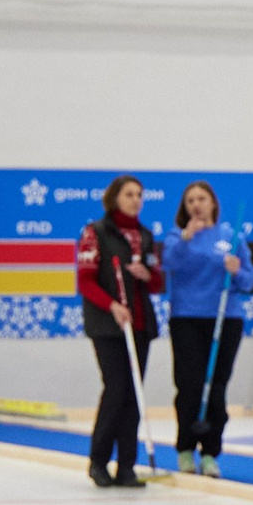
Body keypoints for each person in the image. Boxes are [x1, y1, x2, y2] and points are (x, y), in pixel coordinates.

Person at [75, 174, 163, 488]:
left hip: (139, 326)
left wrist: (146, 275)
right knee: (116, 390)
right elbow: (85, 281)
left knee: (133, 396)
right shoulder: (96, 232)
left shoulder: (146, 235)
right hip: (108, 325)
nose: (136, 199)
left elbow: (157, 283)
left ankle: (127, 466)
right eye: (129, 194)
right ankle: (98, 462)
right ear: (115, 198)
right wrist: (112, 305)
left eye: (139, 194)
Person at [165, 181, 253, 477]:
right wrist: (185, 238)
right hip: (187, 317)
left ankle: (210, 453)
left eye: (201, 198)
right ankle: (185, 449)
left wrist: (237, 270)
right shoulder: (176, 237)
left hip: (225, 318)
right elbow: (168, 263)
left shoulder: (231, 237)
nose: (196, 204)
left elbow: (249, 281)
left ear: (213, 203)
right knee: (189, 385)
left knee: (216, 388)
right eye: (190, 199)